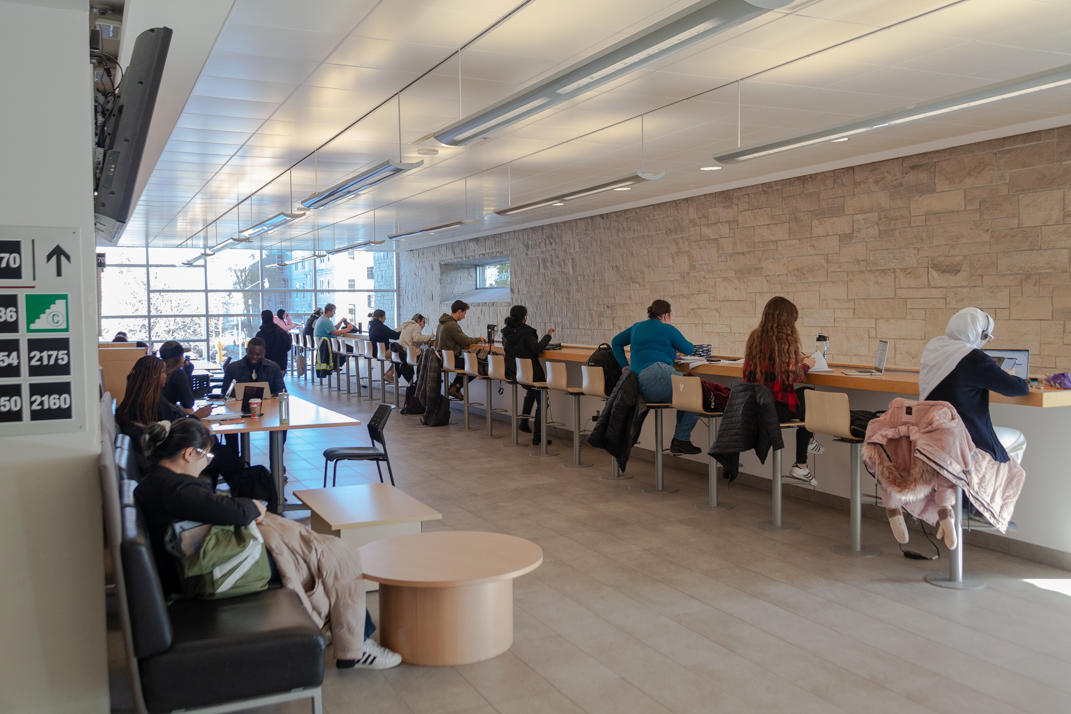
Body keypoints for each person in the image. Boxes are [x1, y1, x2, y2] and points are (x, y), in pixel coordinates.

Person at [133, 418, 401, 670]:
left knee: (315, 559)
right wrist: (254, 507)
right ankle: (356, 643)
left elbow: (215, 507)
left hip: (194, 567)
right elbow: (235, 512)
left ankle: (341, 633)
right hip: (203, 576)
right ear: (189, 454)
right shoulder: (176, 490)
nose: (206, 463)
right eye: (206, 456)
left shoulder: (154, 483)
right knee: (317, 561)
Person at [918, 307, 1029, 529]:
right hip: (965, 442)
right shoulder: (972, 358)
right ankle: (985, 501)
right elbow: (1016, 389)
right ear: (977, 334)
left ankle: (967, 497)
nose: (985, 342)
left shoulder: (933, 348)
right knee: (1018, 438)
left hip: (932, 437)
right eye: (986, 337)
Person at [116, 355, 243, 487]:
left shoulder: (136, 402)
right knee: (222, 454)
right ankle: (242, 491)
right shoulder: (154, 404)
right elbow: (175, 432)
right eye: (163, 373)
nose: (166, 376)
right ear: (154, 376)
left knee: (220, 451)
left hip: (160, 456)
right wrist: (196, 417)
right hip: (172, 455)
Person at [742, 296, 823, 485]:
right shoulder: (786, 342)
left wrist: (797, 362)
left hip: (755, 407)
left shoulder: (754, 338)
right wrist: (807, 365)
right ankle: (802, 462)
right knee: (808, 396)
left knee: (805, 398)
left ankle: (809, 445)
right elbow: (793, 377)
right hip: (776, 410)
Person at [611, 299, 701, 454]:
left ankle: (681, 440)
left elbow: (616, 342)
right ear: (666, 315)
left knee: (687, 393)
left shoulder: (637, 327)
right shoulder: (668, 329)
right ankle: (681, 439)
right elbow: (688, 348)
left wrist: (623, 365)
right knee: (695, 392)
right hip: (656, 374)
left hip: (635, 382)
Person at [502, 305, 555, 446]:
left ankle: (524, 422)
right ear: (524, 316)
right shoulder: (527, 332)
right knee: (542, 400)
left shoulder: (506, 332)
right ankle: (538, 437)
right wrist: (548, 336)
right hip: (531, 373)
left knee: (531, 390)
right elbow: (536, 349)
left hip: (514, 372)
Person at [436, 300, 485, 399]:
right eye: (464, 313)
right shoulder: (452, 325)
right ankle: (456, 387)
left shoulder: (442, 323)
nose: (464, 316)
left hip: (441, 358)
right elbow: (465, 341)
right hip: (448, 360)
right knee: (474, 365)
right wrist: (478, 339)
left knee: (467, 364)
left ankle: (455, 387)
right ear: (459, 311)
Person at [221, 337, 286, 397]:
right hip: (238, 406)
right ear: (246, 351)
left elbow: (281, 391)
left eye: (258, 355)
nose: (254, 357)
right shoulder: (232, 368)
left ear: (264, 353)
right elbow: (225, 392)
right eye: (251, 354)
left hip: (267, 406)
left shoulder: (273, 368)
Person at [160, 340, 204, 416]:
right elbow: (188, 403)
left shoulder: (157, 370)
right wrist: (188, 373)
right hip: (169, 417)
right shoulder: (177, 374)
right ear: (179, 357)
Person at [313, 303, 354, 374]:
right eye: (333, 311)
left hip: (323, 343)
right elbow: (336, 332)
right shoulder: (326, 321)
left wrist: (341, 321)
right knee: (350, 349)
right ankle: (335, 365)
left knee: (342, 349)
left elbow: (334, 329)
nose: (334, 313)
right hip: (327, 344)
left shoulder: (321, 319)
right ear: (329, 312)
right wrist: (348, 329)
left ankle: (335, 364)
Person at [396, 313, 434, 383]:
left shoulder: (406, 326)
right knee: (429, 360)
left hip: (404, 353)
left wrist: (423, 340)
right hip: (411, 355)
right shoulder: (416, 326)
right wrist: (430, 336)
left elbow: (412, 340)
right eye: (423, 322)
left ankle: (419, 381)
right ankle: (421, 381)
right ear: (419, 321)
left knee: (424, 357)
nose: (424, 325)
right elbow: (417, 338)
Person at [367, 309, 400, 383]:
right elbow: (395, 336)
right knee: (401, 353)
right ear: (380, 318)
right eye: (384, 317)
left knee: (397, 354)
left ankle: (388, 374)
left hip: (374, 352)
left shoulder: (371, 326)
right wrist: (404, 331)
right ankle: (389, 374)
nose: (385, 318)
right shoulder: (381, 327)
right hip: (382, 352)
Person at [256, 309, 293, 374]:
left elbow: (257, 350)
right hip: (280, 365)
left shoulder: (260, 335)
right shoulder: (281, 332)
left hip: (265, 366)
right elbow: (288, 346)